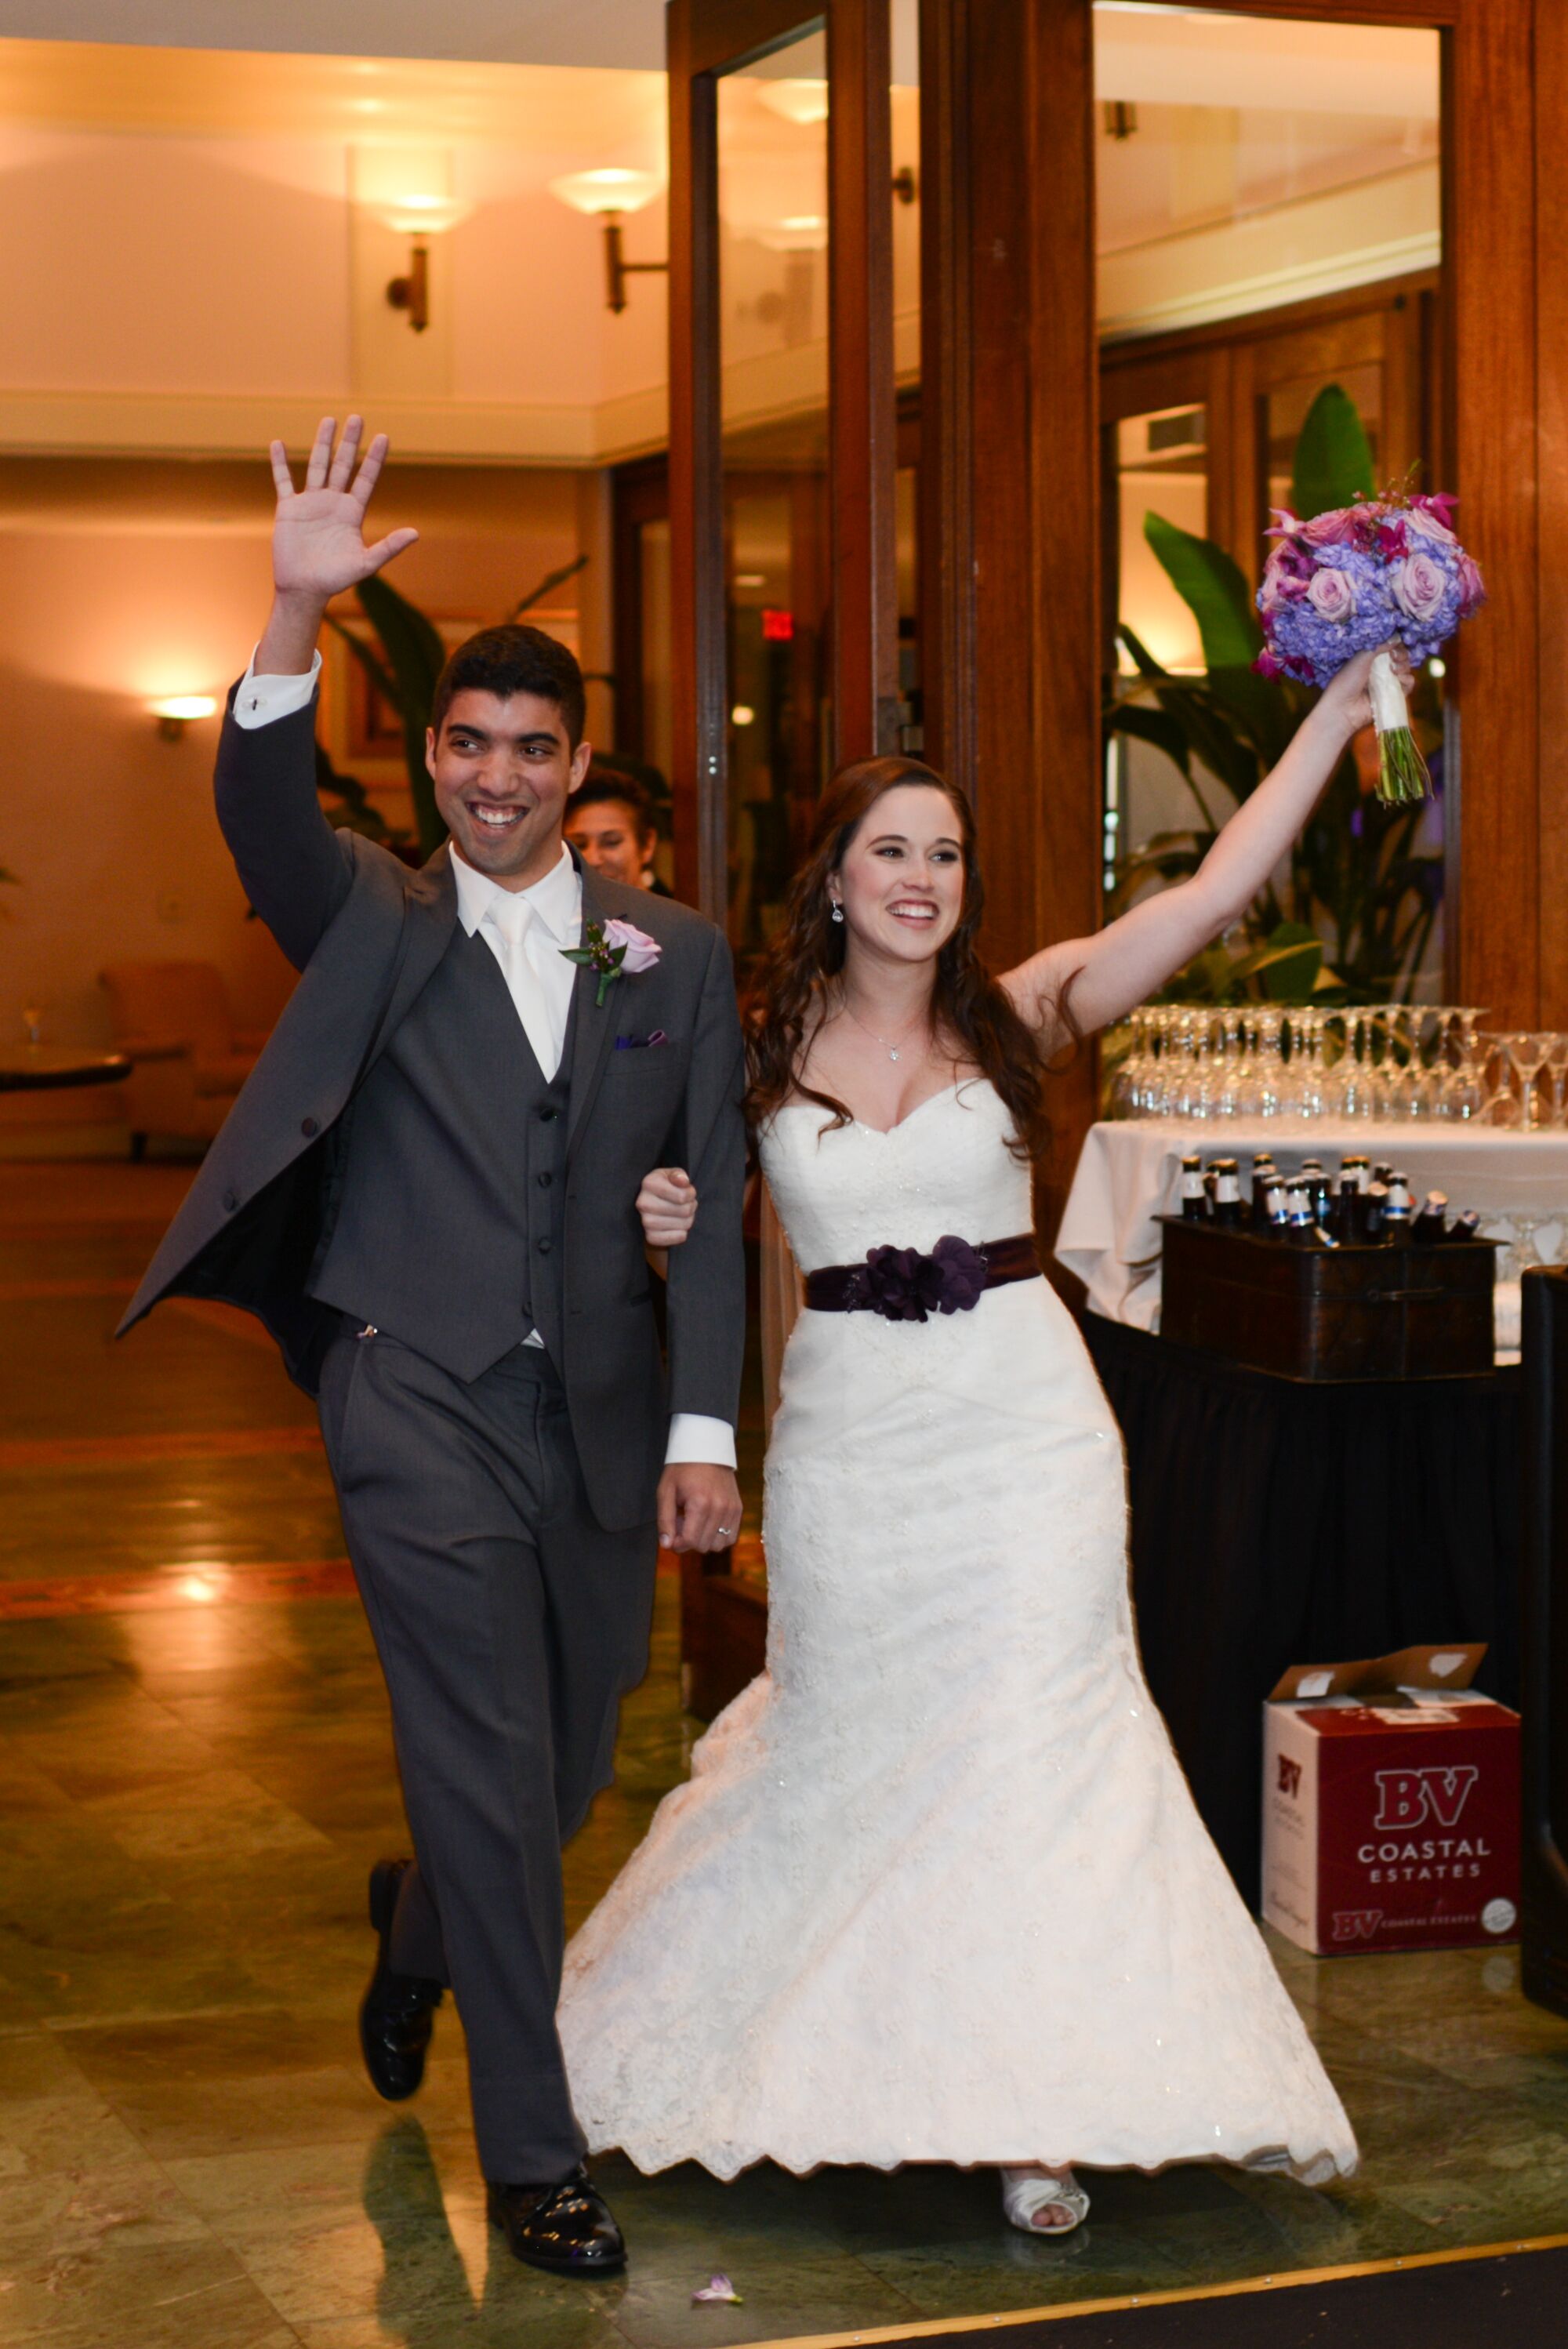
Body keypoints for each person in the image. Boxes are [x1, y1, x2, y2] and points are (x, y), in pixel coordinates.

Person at [557, 655, 1406, 2229]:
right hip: (849, 1453)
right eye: (892, 849)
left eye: (945, 853)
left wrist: (1337, 721)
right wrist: (665, 1210)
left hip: (1028, 1440)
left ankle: (1040, 2114)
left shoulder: (1027, 1010)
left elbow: (1218, 888)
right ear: (833, 876)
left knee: (1042, 1750)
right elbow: (663, 1216)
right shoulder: (744, 1045)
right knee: (851, 1742)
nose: (922, 878)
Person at [118, 418, 746, 2279]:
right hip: (410, 1391)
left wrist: (702, 1427)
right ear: (431, 758)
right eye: (463, 743)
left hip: (603, 1424)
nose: (491, 775)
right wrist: (295, 608)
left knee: (552, 1776)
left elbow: (706, 1201)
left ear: (573, 773)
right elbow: (251, 809)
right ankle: (538, 2157)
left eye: (527, 749)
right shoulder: (366, 918)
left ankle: (416, 1930)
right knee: (483, 1752)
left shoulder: (673, 958)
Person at [565, 765, 670, 894]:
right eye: (580, 845)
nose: (593, 859)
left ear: (648, 844)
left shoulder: (673, 914)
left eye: (611, 842)